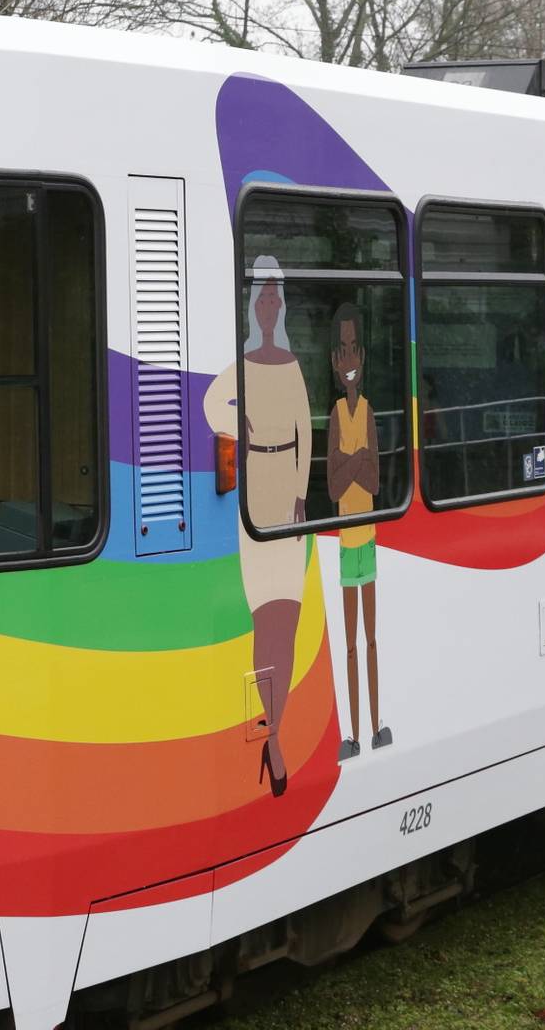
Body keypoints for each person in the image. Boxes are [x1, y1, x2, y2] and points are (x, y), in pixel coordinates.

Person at [207, 258, 311, 796]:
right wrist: (236, 430)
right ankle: (270, 739)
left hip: (287, 505)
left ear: (282, 305)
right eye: (261, 297)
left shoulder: (291, 364)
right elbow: (208, 405)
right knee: (263, 622)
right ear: (253, 306)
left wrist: (300, 493)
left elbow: (306, 433)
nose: (268, 305)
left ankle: (275, 736)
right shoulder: (243, 364)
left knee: (286, 626)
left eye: (275, 297)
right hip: (255, 496)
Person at [324, 304, 387, 758]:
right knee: (349, 643)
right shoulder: (335, 416)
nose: (348, 362)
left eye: (353, 350)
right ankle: (353, 735)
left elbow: (375, 480)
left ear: (362, 356)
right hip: (347, 543)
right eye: (341, 352)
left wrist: (354, 464)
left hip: (367, 539)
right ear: (334, 360)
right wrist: (356, 458)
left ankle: (377, 725)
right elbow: (334, 483)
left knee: (370, 639)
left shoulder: (366, 412)